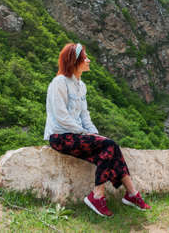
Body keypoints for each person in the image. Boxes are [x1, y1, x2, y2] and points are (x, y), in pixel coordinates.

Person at [44, 42, 151, 217]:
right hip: (60, 136)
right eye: (85, 57)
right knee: (109, 146)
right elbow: (61, 116)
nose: (88, 60)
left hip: (75, 134)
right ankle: (103, 195)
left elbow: (85, 116)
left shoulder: (81, 86)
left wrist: (95, 135)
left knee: (110, 147)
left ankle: (129, 195)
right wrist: (86, 134)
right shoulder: (59, 82)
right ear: (74, 61)